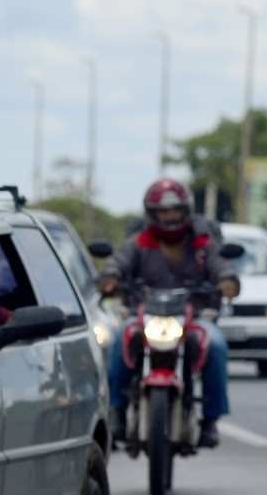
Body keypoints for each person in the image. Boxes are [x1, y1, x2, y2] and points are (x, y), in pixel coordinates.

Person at [100, 178, 240, 448]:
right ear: (152, 214)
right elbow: (117, 264)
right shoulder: (139, 243)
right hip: (144, 316)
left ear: (186, 210)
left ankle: (210, 421)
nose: (169, 217)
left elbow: (221, 266)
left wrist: (227, 281)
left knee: (217, 345)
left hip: (193, 317)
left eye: (174, 210)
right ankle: (115, 410)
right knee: (120, 338)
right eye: (163, 211)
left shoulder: (202, 244)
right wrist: (110, 278)